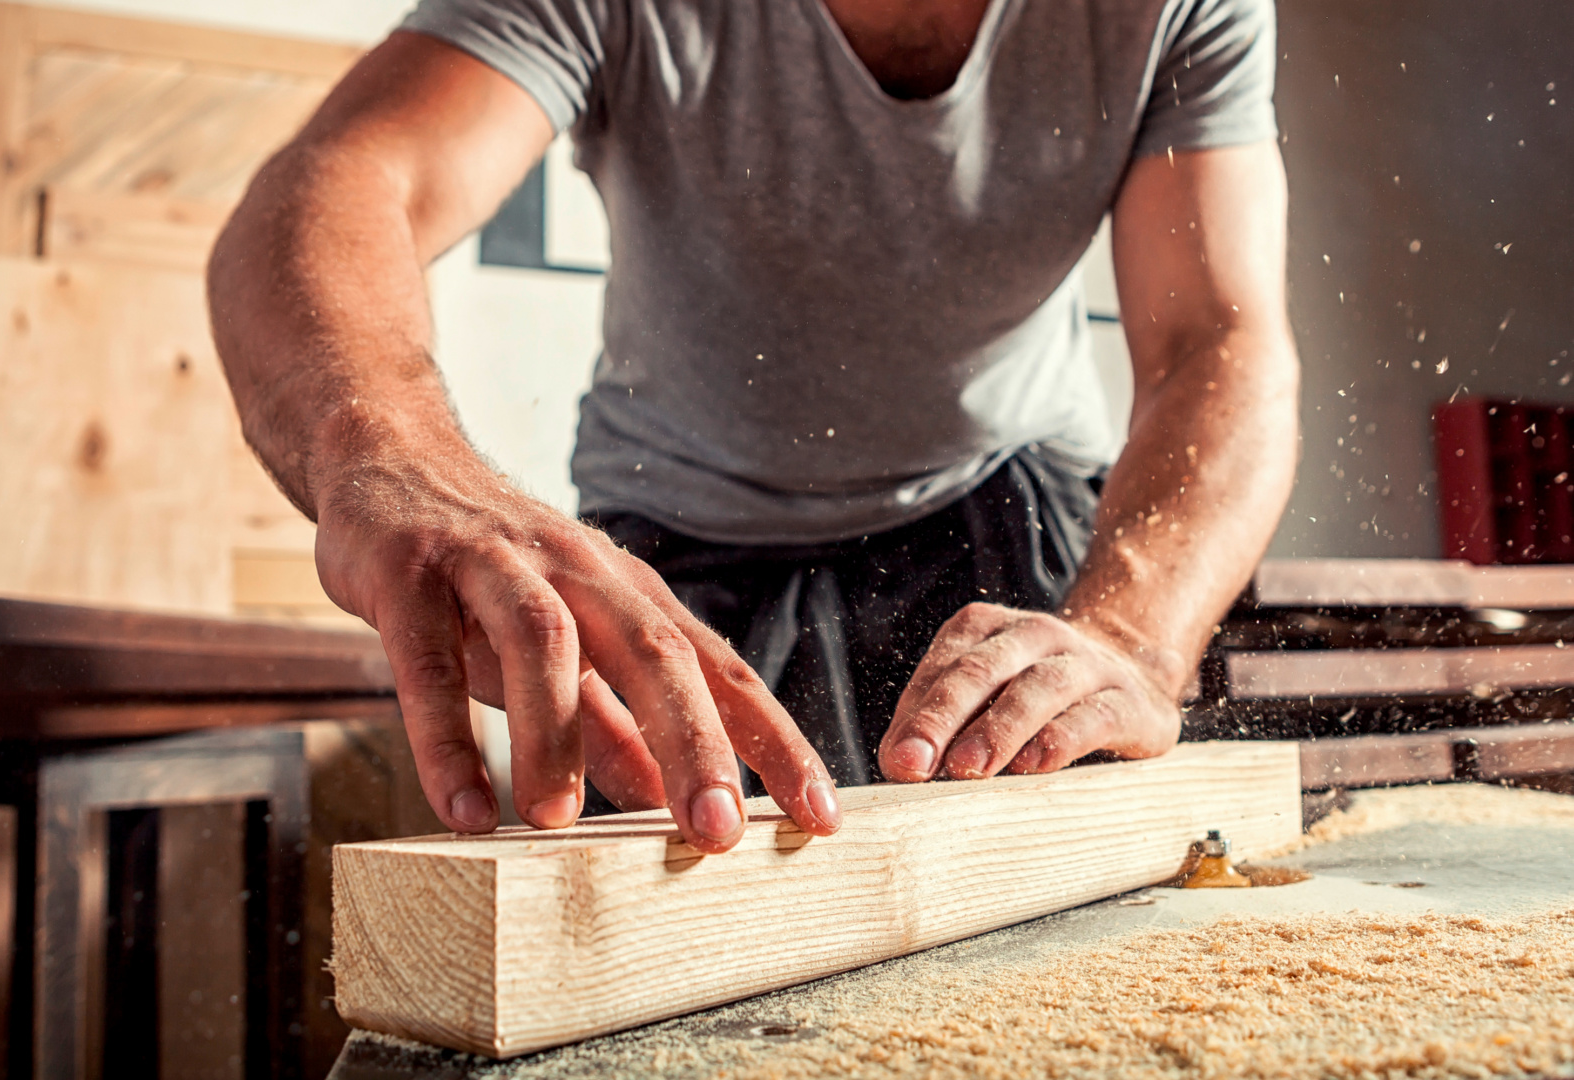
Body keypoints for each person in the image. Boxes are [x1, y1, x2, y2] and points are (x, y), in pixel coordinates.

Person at [208, 0, 1299, 855]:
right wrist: (391, 454)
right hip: (679, 555)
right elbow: (345, 182)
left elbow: (1217, 337)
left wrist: (1134, 641)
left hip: (1006, 526)